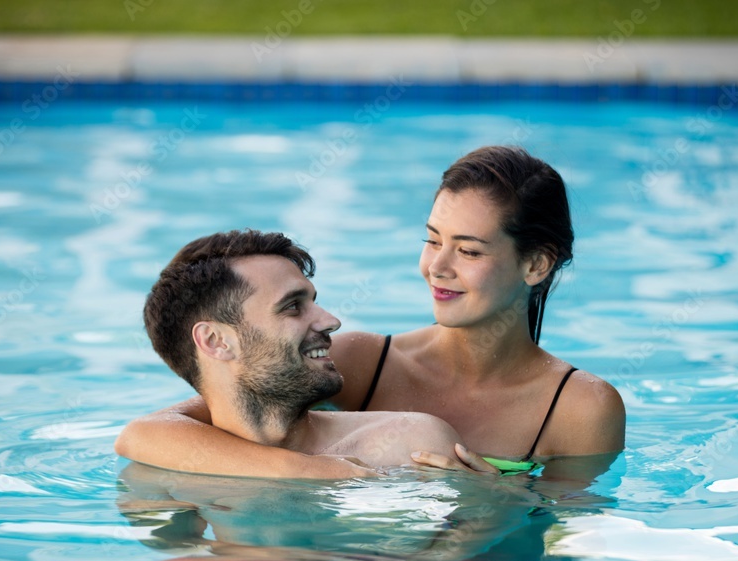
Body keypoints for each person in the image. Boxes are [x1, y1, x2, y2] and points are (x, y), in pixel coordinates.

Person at [116, 146, 625, 475]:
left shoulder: (579, 407)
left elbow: (566, 537)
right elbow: (153, 432)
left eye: (468, 251)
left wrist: (494, 502)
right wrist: (313, 474)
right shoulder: (365, 361)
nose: (436, 267)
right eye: (432, 241)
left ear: (535, 264)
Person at [115, 229, 465, 478]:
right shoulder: (161, 473)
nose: (331, 321)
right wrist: (306, 472)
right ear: (216, 341)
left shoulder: (410, 445)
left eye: (313, 301)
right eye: (292, 307)